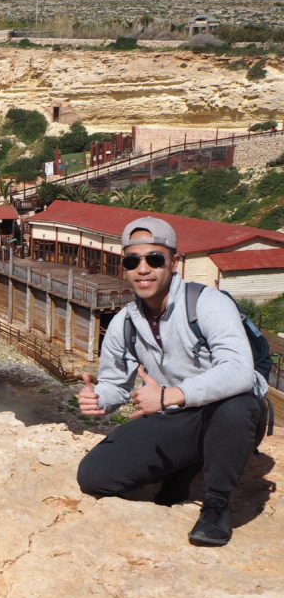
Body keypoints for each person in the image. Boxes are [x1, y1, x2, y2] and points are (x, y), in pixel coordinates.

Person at [76, 216, 267, 546]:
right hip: (179, 418)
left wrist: (171, 395)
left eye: (154, 258)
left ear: (174, 262)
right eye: (132, 260)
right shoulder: (125, 323)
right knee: (95, 476)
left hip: (230, 413)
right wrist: (100, 399)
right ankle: (185, 465)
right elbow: (114, 383)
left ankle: (217, 505)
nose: (143, 269)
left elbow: (238, 370)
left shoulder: (207, 303)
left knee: (234, 406)